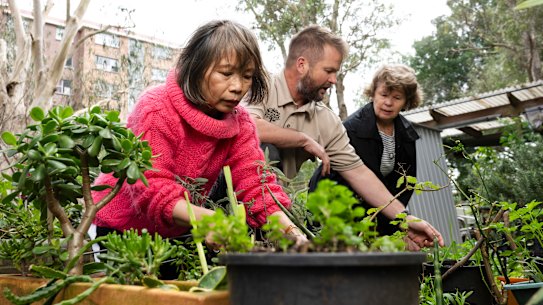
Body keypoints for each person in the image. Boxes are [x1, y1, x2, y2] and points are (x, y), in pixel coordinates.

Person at [89, 20, 308, 261]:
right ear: (196, 67)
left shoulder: (240, 124)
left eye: (247, 76)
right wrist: (212, 221)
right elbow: (152, 187)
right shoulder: (157, 109)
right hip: (118, 231)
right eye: (226, 74)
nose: (238, 87)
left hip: (175, 235)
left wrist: (294, 234)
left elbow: (256, 185)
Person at [243, 25, 444, 251]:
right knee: (266, 148)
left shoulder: (326, 120)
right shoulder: (259, 85)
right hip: (228, 200)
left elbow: (358, 172)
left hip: (274, 214)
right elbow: (247, 128)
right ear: (302, 64)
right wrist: (302, 139)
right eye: (329, 71)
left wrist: (405, 219)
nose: (333, 80)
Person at [309, 63, 422, 237]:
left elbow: (404, 186)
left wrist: (397, 225)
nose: (388, 102)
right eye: (383, 94)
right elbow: (350, 180)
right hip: (336, 210)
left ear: (406, 102)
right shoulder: (351, 129)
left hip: (379, 215)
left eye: (397, 97)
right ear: (373, 93)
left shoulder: (407, 135)